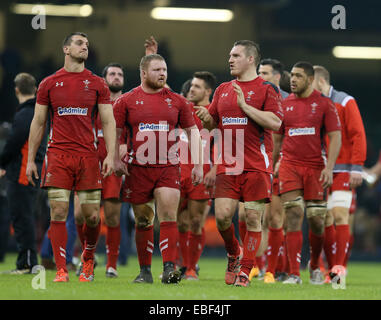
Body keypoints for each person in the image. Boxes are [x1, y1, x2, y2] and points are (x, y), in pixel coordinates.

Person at [26, 32, 116, 283]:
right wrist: (31, 159)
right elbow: (39, 122)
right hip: (58, 155)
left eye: (87, 44)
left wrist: (110, 155)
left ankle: (88, 259)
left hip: (88, 156)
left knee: (91, 216)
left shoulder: (98, 83)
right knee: (58, 211)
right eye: (79, 43)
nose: (84, 46)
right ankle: (62, 269)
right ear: (66, 49)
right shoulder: (49, 83)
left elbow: (108, 121)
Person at [195, 40, 284, 287]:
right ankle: (235, 253)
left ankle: (245, 270)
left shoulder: (267, 89)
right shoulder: (223, 89)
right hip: (228, 164)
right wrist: (206, 118)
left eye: (235, 55)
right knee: (223, 218)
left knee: (254, 220)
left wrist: (245, 106)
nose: (230, 60)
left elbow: (276, 123)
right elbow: (212, 123)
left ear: (250, 59)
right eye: (230, 55)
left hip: (257, 164)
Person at [113, 53, 203, 284]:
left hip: (168, 167)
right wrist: (115, 157)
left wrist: (199, 164)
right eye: (156, 70)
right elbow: (115, 132)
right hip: (137, 168)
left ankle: (169, 269)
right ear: (143, 73)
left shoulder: (177, 101)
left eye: (164, 69)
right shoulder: (126, 101)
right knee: (143, 220)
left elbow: (193, 132)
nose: (162, 73)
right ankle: (145, 271)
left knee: (168, 216)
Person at [273, 61, 342, 285]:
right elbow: (277, 138)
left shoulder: (324, 104)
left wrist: (330, 168)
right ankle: (294, 274)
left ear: (311, 80)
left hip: (315, 167)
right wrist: (272, 163)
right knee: (293, 215)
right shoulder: (284, 104)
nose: (292, 79)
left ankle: (314, 265)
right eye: (291, 75)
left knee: (317, 221)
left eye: (298, 76)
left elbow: (335, 136)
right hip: (289, 165)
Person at [312, 65, 367, 281]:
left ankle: (338, 269)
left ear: (320, 81)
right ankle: (326, 267)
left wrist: (357, 167)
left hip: (344, 169)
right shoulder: (313, 105)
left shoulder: (345, 101)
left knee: (339, 215)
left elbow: (358, 134)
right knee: (323, 219)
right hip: (320, 170)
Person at [74, 62, 125, 278]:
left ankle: (111, 265)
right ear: (103, 80)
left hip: (114, 164)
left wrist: (125, 152)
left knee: (112, 217)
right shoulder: (93, 103)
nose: (116, 77)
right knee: (79, 215)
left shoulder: (127, 103)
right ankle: (89, 257)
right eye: (112, 73)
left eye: (120, 74)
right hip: (90, 164)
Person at [0, 73, 46, 274]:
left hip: (21, 171)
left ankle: (27, 262)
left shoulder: (25, 113)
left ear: (16, 89)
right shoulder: (37, 112)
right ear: (35, 89)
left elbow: (15, 142)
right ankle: (27, 260)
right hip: (31, 168)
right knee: (25, 215)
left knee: (22, 216)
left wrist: (2, 162)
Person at [177, 71, 217, 280]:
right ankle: (182, 264)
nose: (191, 89)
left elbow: (226, 143)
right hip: (179, 170)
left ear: (208, 91)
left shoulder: (214, 113)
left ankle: (191, 267)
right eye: (191, 85)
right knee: (179, 222)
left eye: (197, 86)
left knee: (195, 221)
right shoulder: (182, 109)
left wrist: (214, 170)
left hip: (203, 173)